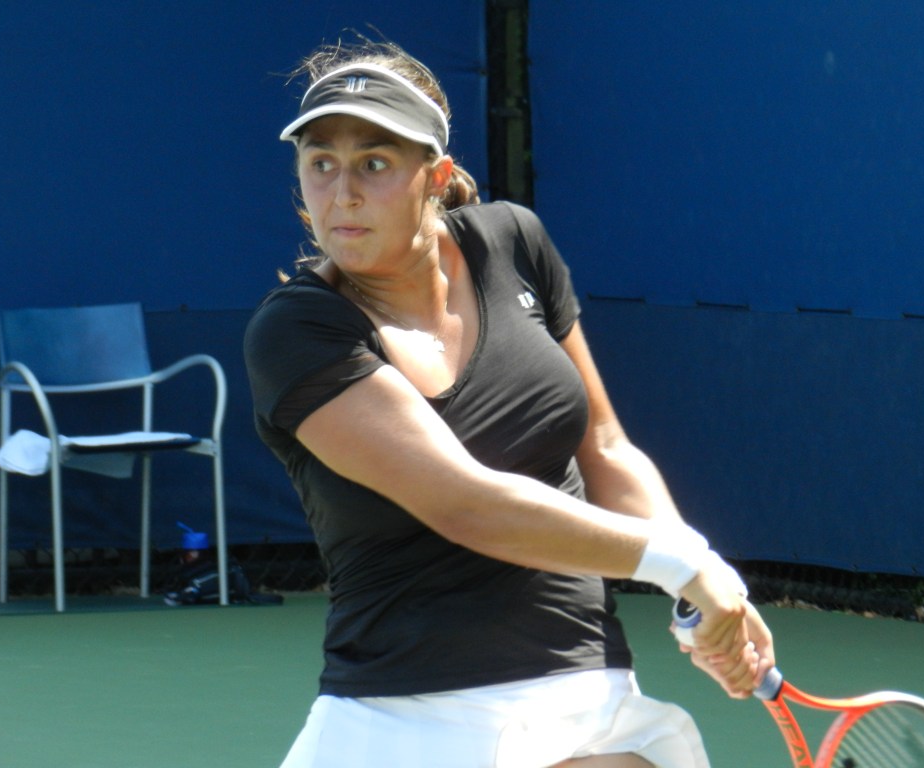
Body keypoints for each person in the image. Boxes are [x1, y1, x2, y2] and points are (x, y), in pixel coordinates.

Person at [244, 38, 775, 768]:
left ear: (437, 176)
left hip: (587, 693)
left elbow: (606, 448)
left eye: (375, 163)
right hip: (404, 715)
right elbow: (466, 503)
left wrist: (703, 595)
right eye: (320, 164)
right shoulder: (298, 332)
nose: (343, 193)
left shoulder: (513, 243)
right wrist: (684, 564)